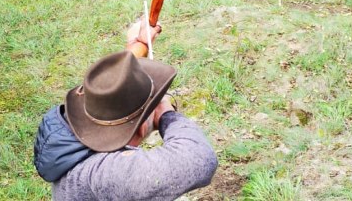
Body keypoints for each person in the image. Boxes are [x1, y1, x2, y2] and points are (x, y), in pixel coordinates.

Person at [33, 20, 218, 200]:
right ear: (138, 128)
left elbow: (109, 84)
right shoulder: (107, 175)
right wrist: (165, 113)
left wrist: (136, 45)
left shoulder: (79, 124)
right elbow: (198, 159)